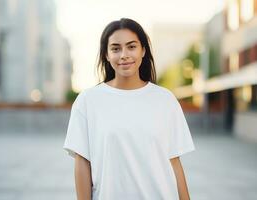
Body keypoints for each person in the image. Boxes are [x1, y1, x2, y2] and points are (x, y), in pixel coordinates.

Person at [63, 18, 195, 200]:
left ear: (143, 51)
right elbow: (82, 163)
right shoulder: (88, 101)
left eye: (131, 46)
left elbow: (174, 162)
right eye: (115, 48)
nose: (124, 54)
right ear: (106, 55)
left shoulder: (165, 100)